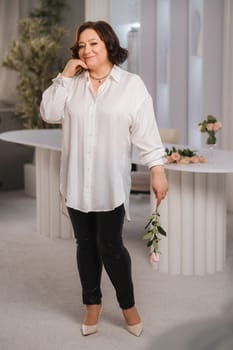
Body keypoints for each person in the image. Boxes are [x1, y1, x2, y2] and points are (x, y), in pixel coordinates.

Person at [40, 20, 168, 337]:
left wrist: (157, 169)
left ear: (109, 44)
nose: (87, 49)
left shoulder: (131, 85)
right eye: (82, 45)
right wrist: (65, 76)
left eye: (94, 43)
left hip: (109, 185)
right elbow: (49, 113)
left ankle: (127, 306)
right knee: (85, 245)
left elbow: (147, 132)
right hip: (76, 183)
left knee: (111, 246)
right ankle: (92, 305)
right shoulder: (72, 85)